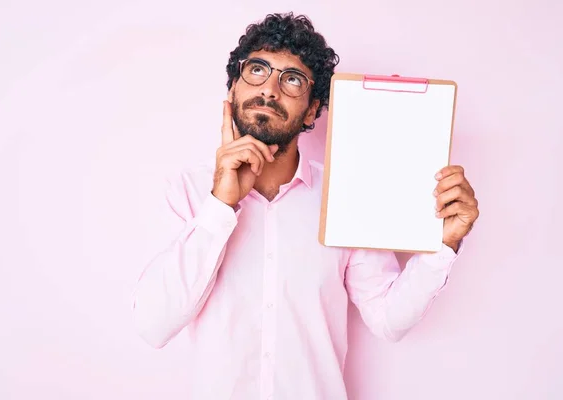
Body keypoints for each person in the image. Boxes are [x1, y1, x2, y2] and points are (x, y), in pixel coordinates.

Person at [132, 12, 479, 400]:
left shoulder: (344, 196)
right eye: (257, 70)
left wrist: (444, 246)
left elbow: (388, 320)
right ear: (232, 90)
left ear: (313, 110)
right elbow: (152, 324)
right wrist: (221, 204)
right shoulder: (186, 191)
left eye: (291, 79)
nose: (270, 90)